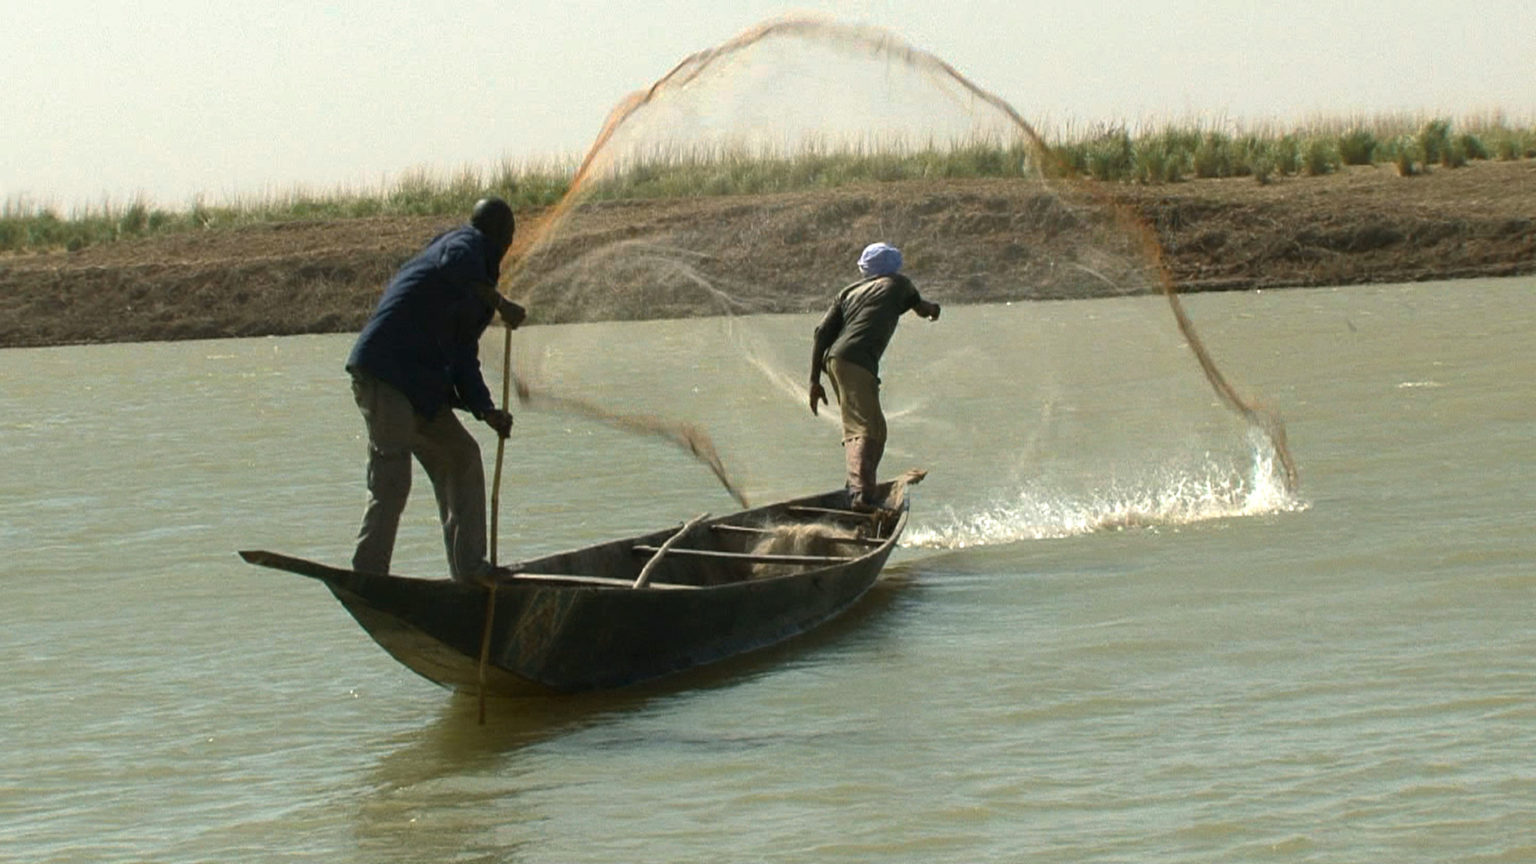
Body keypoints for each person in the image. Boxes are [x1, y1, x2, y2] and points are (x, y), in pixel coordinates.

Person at [345, 196, 527, 583]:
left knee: (462, 457)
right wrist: (500, 302)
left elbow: (462, 355)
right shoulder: (464, 245)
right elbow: (453, 263)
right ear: (501, 237)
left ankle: (470, 570)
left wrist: (486, 410)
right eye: (508, 236)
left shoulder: (477, 290)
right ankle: (369, 576)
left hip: (422, 391)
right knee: (393, 476)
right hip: (387, 373)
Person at [808, 242, 940, 510]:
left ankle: (856, 486)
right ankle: (859, 495)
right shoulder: (898, 285)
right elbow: (923, 308)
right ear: (894, 268)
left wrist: (814, 380)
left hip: (836, 361)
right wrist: (935, 310)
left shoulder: (848, 292)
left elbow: (821, 333)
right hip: (856, 361)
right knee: (865, 430)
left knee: (875, 429)